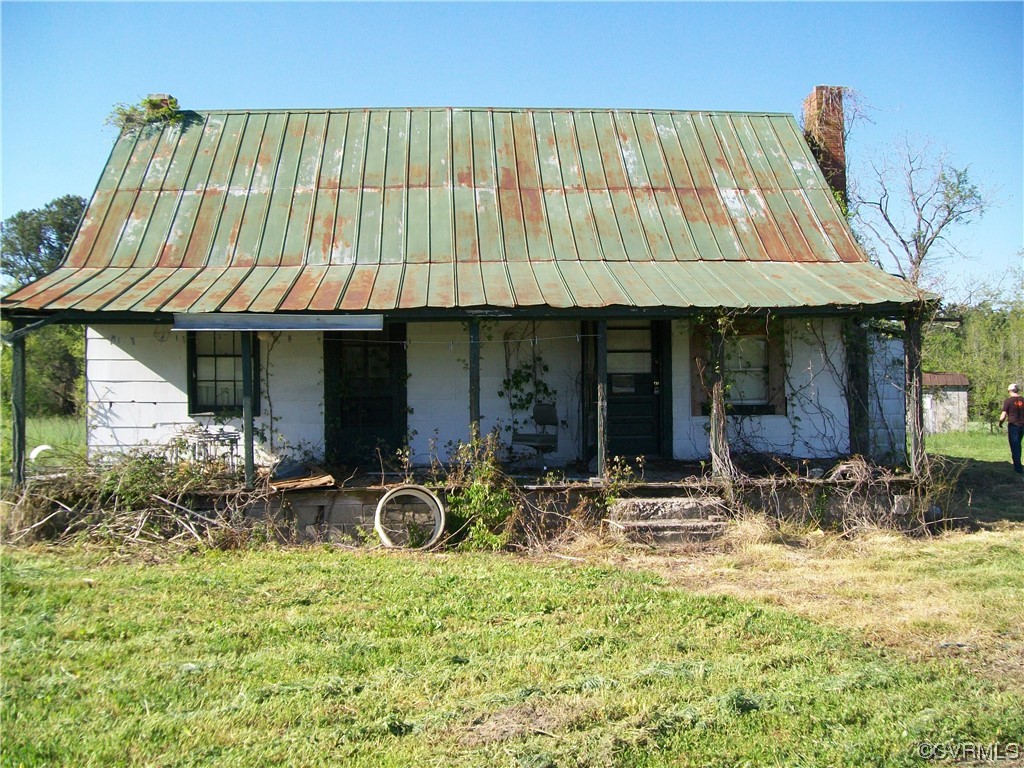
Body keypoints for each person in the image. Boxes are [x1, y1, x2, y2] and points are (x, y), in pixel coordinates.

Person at [997, 383, 1024, 474]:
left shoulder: (1008, 401)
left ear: (1009, 391)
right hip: (1022, 425)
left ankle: (1018, 467)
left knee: (1014, 445)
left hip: (1013, 425)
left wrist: (1000, 423)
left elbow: (1003, 415)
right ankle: (1018, 464)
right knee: (1018, 444)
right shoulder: (1023, 400)